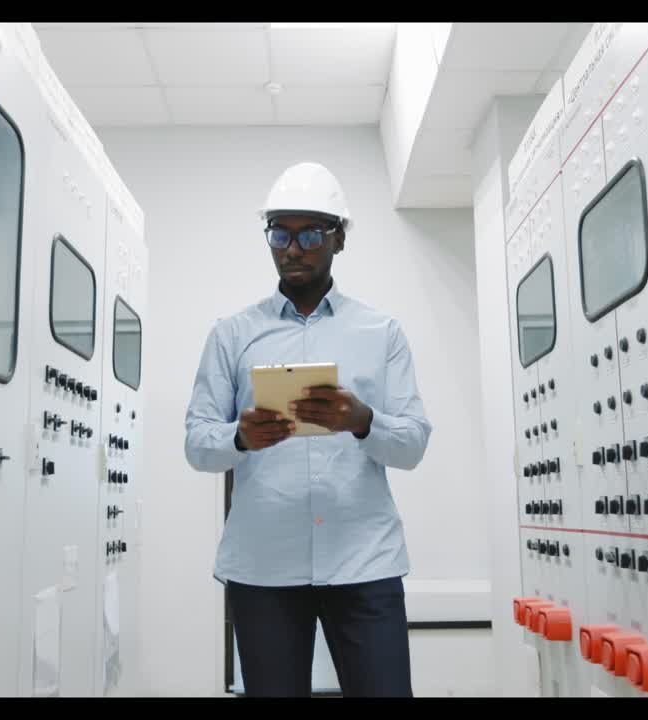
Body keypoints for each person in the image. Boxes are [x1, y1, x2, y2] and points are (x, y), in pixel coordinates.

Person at [184, 162, 433, 697]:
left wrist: (362, 422)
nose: (291, 249)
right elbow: (197, 445)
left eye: (310, 234)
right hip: (264, 567)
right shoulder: (232, 335)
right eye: (279, 233)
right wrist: (240, 437)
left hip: (364, 561)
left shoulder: (381, 332)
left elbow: (412, 443)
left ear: (339, 239)